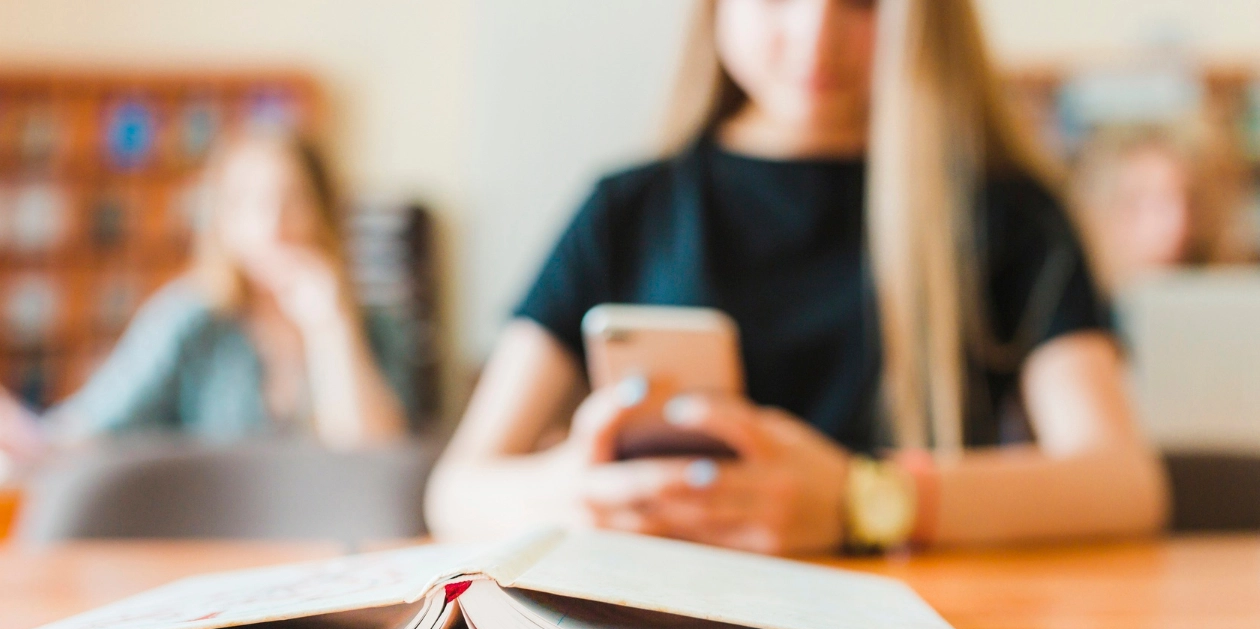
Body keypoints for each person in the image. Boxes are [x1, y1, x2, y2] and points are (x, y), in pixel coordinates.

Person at [425, 0, 1169, 555]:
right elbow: (457, 491)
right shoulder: (627, 207)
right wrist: (571, 494)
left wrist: (862, 498)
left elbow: (1123, 482)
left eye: (863, 3)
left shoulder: (1008, 215)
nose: (815, 33)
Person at [0, 131, 410, 456]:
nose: (272, 225)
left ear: (324, 210)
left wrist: (332, 327)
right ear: (223, 221)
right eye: (249, 203)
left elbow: (371, 458)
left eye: (293, 199)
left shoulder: (374, 327)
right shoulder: (190, 317)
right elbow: (93, 425)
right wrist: (30, 438)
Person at [1070, 124, 1252, 294]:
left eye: (1189, 201)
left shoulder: (1231, 290)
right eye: (1147, 203)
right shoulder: (1071, 306)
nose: (1175, 223)